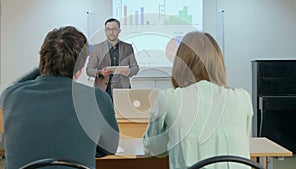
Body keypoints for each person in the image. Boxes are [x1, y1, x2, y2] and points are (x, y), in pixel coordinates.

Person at [0, 26, 119, 169]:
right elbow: (108, 149)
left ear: (41, 60)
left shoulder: (11, 95)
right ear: (79, 70)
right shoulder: (98, 98)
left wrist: (48, 65)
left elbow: (19, 85)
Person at [142, 32, 253, 169]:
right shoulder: (243, 98)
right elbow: (244, 145)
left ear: (180, 64)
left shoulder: (169, 99)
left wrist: (173, 133)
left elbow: (155, 149)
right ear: (219, 63)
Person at [86, 18, 139, 99]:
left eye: (114, 29)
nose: (111, 32)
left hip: (122, 88)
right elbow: (89, 70)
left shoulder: (128, 47)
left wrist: (129, 71)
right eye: (108, 29)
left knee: (123, 111)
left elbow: (135, 67)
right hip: (103, 89)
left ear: (119, 30)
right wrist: (100, 72)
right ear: (105, 31)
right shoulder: (97, 48)